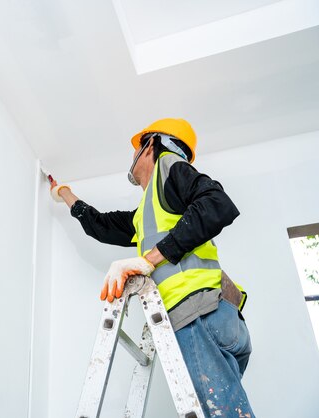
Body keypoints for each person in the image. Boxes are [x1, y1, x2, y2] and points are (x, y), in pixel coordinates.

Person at [50, 118, 254, 418]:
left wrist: (151, 259)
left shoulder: (169, 165)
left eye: (137, 147)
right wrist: (64, 194)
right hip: (221, 318)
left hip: (199, 315)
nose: (133, 155)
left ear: (150, 146)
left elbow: (217, 204)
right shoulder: (147, 211)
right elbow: (102, 226)